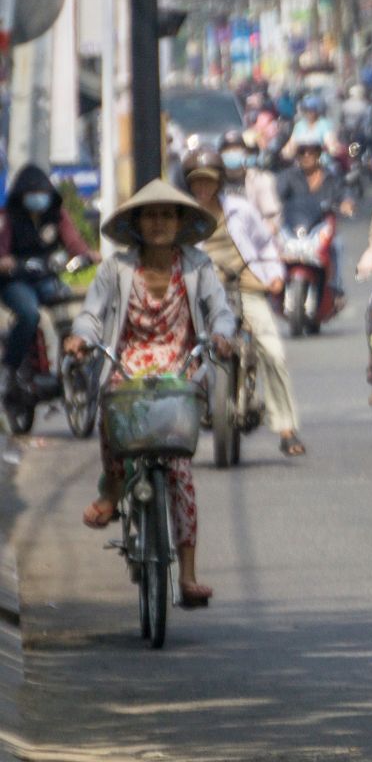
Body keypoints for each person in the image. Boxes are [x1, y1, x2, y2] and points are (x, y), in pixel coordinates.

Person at [66, 179, 235, 607]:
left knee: (179, 471)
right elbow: (92, 313)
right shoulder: (116, 268)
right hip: (128, 366)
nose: (158, 223)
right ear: (138, 223)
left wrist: (221, 335)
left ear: (180, 222)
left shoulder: (197, 267)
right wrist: (81, 337)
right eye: (150, 215)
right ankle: (112, 488)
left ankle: (190, 575)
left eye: (167, 215)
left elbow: (220, 311)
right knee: (112, 404)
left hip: (180, 370)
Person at [183, 148, 306, 457]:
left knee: (273, 352)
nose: (202, 188)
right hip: (201, 293)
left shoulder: (240, 209)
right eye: (196, 182)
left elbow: (265, 243)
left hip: (246, 285)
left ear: (219, 182)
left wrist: (275, 274)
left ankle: (286, 427)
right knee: (182, 354)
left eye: (208, 182)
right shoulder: (182, 216)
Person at [0, 165, 98, 388]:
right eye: (33, 194)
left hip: (46, 276)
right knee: (29, 314)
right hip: (15, 281)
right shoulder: (9, 217)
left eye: (42, 193)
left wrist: (87, 255)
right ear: (21, 195)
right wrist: (5, 261)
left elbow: (73, 241)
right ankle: (10, 367)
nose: (38, 199)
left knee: (72, 310)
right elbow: (2, 248)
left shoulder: (57, 214)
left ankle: (71, 361)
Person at [277, 136, 353, 303]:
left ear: (319, 154)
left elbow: (344, 193)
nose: (306, 156)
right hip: (295, 228)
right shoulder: (289, 176)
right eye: (302, 152)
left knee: (337, 245)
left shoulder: (331, 177)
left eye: (311, 152)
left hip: (322, 227)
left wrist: (346, 203)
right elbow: (277, 195)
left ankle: (335, 285)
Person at [219, 130, 282, 234]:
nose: (232, 153)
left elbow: (272, 217)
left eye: (236, 149)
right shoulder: (215, 180)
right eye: (227, 150)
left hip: (254, 235)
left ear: (244, 153)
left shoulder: (260, 179)